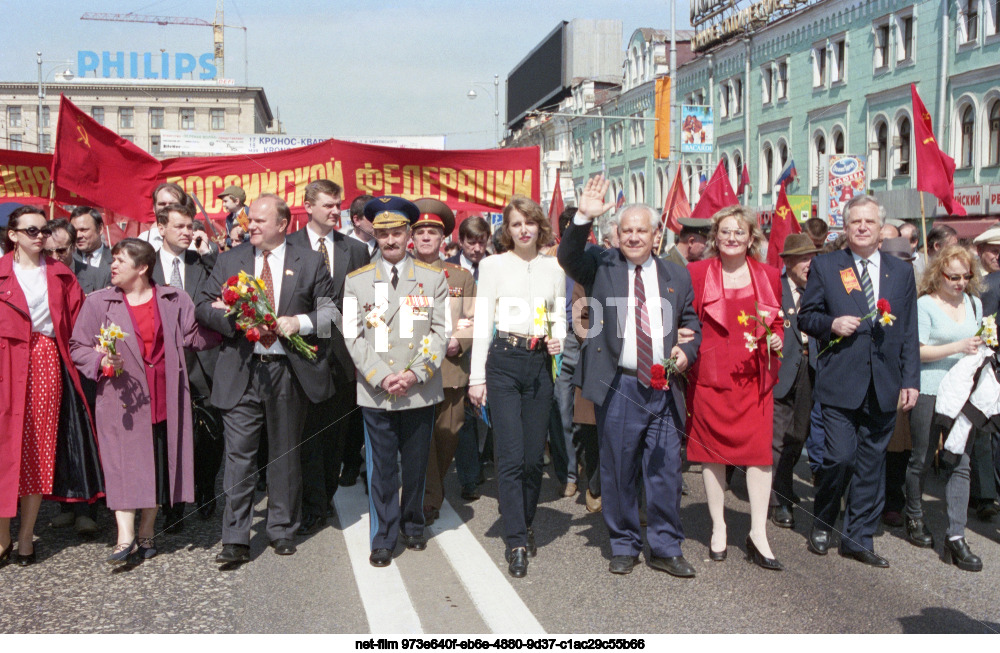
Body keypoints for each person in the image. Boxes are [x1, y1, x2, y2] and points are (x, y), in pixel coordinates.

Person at [559, 175, 702, 578]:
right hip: (619, 384)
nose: (635, 237)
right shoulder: (601, 266)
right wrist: (583, 216)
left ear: (656, 235)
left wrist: (686, 352)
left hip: (663, 384)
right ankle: (623, 543)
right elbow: (568, 256)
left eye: (642, 230)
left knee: (665, 469)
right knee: (618, 468)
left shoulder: (677, 276)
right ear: (616, 235)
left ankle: (665, 545)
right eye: (627, 231)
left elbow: (692, 323)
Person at [195, 193, 339, 566]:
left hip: (288, 372)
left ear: (281, 224)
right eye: (248, 221)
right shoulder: (230, 259)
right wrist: (232, 319)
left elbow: (330, 311)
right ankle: (236, 537)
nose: (251, 226)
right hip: (242, 370)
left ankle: (281, 529)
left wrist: (299, 322)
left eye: (259, 221)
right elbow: (202, 306)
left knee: (284, 455)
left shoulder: (309, 262)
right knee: (239, 458)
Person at [70, 239, 219, 564]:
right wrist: (99, 362)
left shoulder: (173, 298)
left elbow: (193, 337)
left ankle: (147, 531)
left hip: (165, 398)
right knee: (123, 466)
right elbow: (77, 346)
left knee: (154, 466)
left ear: (142, 268)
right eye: (113, 260)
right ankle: (124, 537)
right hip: (121, 400)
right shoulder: (98, 302)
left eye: (121, 261)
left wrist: (228, 326)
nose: (113, 266)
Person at [798, 194, 919, 567]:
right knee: (838, 457)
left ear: (881, 229)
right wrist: (831, 323)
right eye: (855, 223)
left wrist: (910, 379)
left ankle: (858, 537)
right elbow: (807, 317)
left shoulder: (900, 272)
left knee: (871, 464)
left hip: (884, 382)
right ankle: (824, 518)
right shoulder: (827, 266)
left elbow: (909, 330)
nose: (863, 228)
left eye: (869, 222)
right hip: (840, 380)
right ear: (845, 228)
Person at [344, 196, 448, 568]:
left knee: (417, 462)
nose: (389, 240)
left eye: (397, 232)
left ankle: (413, 521)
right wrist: (383, 375)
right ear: (374, 234)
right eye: (382, 233)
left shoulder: (432, 279)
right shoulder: (356, 281)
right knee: (383, 468)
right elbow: (351, 335)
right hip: (377, 389)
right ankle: (384, 536)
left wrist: (414, 374)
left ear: (409, 234)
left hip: (418, 387)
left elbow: (439, 333)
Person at [468, 195, 565, 578]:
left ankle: (525, 520)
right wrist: (477, 378)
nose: (523, 229)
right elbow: (481, 323)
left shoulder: (554, 267)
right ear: (506, 231)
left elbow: (556, 314)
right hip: (503, 362)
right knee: (508, 457)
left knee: (531, 459)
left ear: (540, 226)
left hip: (539, 363)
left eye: (529, 222)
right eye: (515, 224)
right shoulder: (492, 266)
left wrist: (558, 338)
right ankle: (516, 541)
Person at [1, 206, 104, 566]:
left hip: (45, 362)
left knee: (38, 450)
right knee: (4, 449)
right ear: (12, 235)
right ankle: (2, 537)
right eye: (31, 230)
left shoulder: (61, 275)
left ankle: (26, 537)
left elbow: (81, 325)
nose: (40, 237)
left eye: (43, 230)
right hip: (4, 362)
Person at [686, 205, 784, 570]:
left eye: (739, 232)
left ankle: (758, 532)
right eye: (725, 232)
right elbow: (685, 318)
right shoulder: (696, 272)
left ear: (751, 238)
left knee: (759, 454)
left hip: (754, 378)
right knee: (712, 454)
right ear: (715, 236)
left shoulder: (769, 275)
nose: (731, 238)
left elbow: (777, 323)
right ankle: (718, 526)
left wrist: (777, 340)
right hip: (710, 378)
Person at [286, 180, 369, 533]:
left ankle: (326, 495)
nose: (336, 211)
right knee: (305, 435)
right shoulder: (288, 247)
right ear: (308, 206)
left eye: (339, 205)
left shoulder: (355, 249)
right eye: (328, 205)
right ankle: (313, 506)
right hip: (301, 356)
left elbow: (368, 303)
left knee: (335, 436)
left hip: (342, 356)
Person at [901, 245, 985, 570]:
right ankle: (914, 515)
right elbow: (916, 351)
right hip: (930, 389)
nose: (960, 283)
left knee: (960, 461)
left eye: (966, 276)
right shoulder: (925, 305)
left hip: (963, 393)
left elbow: (977, 344)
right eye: (953, 276)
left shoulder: (974, 304)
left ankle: (955, 537)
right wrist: (958, 346)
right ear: (939, 274)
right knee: (921, 457)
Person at [151, 201, 222, 524]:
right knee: (170, 433)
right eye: (179, 226)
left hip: (203, 360)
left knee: (209, 431)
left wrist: (211, 256)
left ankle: (206, 487)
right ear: (161, 227)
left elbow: (227, 289)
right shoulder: (147, 265)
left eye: (190, 226)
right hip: (161, 361)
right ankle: (172, 502)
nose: (187, 232)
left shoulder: (203, 262)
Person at [411, 198, 478, 524]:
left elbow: (473, 319)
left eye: (432, 232)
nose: (425, 237)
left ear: (442, 239)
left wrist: (460, 340)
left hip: (450, 372)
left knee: (449, 433)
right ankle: (428, 500)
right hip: (413, 372)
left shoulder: (460, 277)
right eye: (420, 231)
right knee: (421, 437)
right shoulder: (399, 273)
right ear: (412, 237)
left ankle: (427, 491)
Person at [769, 234, 820, 529]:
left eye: (812, 258)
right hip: (780, 365)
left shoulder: (817, 290)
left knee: (799, 435)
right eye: (803, 259)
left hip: (809, 367)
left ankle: (783, 484)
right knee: (778, 436)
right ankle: (779, 500)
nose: (809, 265)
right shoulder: (775, 288)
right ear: (787, 262)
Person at [46, 218, 110, 295]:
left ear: (73, 247)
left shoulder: (100, 277)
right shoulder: (36, 276)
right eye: (48, 252)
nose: (55, 257)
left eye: (61, 251)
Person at [447, 215, 490, 281]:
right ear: (461, 241)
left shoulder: (498, 266)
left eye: (481, 242)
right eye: (472, 243)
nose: (477, 249)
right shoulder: (447, 267)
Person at [71, 207, 112, 273]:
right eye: (74, 231)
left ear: (100, 229)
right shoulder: (67, 261)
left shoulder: (115, 260)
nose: (78, 235)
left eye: (83, 230)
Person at [348, 193, 378, 258]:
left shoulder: (386, 247)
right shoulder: (339, 248)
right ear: (357, 220)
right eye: (373, 217)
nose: (378, 221)